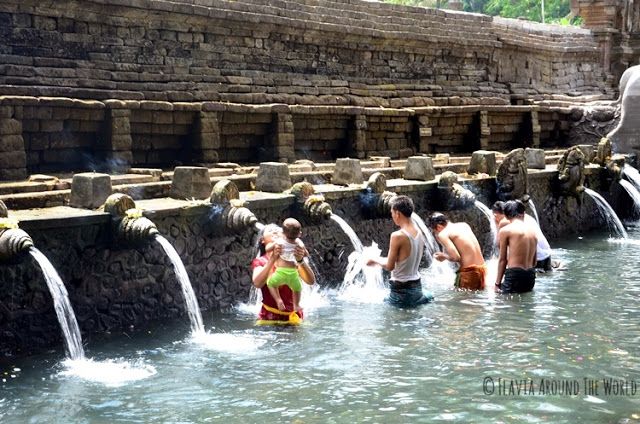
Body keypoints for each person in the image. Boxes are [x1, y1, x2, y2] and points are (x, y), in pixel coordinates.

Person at [366, 195, 433, 307]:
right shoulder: (420, 232)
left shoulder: (398, 236)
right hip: (418, 290)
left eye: (392, 213)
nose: (392, 216)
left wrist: (374, 260)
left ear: (397, 213)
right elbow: (403, 260)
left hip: (401, 294)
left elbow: (390, 266)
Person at [251, 223, 315, 325]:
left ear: (285, 235)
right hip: (269, 317)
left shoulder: (293, 258)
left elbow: (310, 281)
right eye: (270, 230)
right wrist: (272, 260)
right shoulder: (261, 261)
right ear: (262, 240)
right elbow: (257, 283)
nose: (274, 230)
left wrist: (300, 261)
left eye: (277, 229)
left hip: (294, 316)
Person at [428, 212, 486, 290]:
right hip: (482, 268)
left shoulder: (443, 234)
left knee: (465, 300)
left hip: (469, 272)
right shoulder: (464, 225)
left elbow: (455, 257)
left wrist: (443, 256)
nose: (435, 234)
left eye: (434, 231)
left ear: (438, 227)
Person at [492, 201, 553, 272]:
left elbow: (499, 244)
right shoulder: (526, 217)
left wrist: (497, 225)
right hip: (547, 256)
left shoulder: (505, 221)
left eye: (495, 216)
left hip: (534, 260)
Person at [495, 200, 537, 293]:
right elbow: (534, 261)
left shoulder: (506, 230)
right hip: (530, 275)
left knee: (506, 304)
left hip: (514, 274)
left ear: (506, 216)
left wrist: (497, 284)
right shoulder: (533, 231)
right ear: (523, 213)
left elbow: (503, 260)